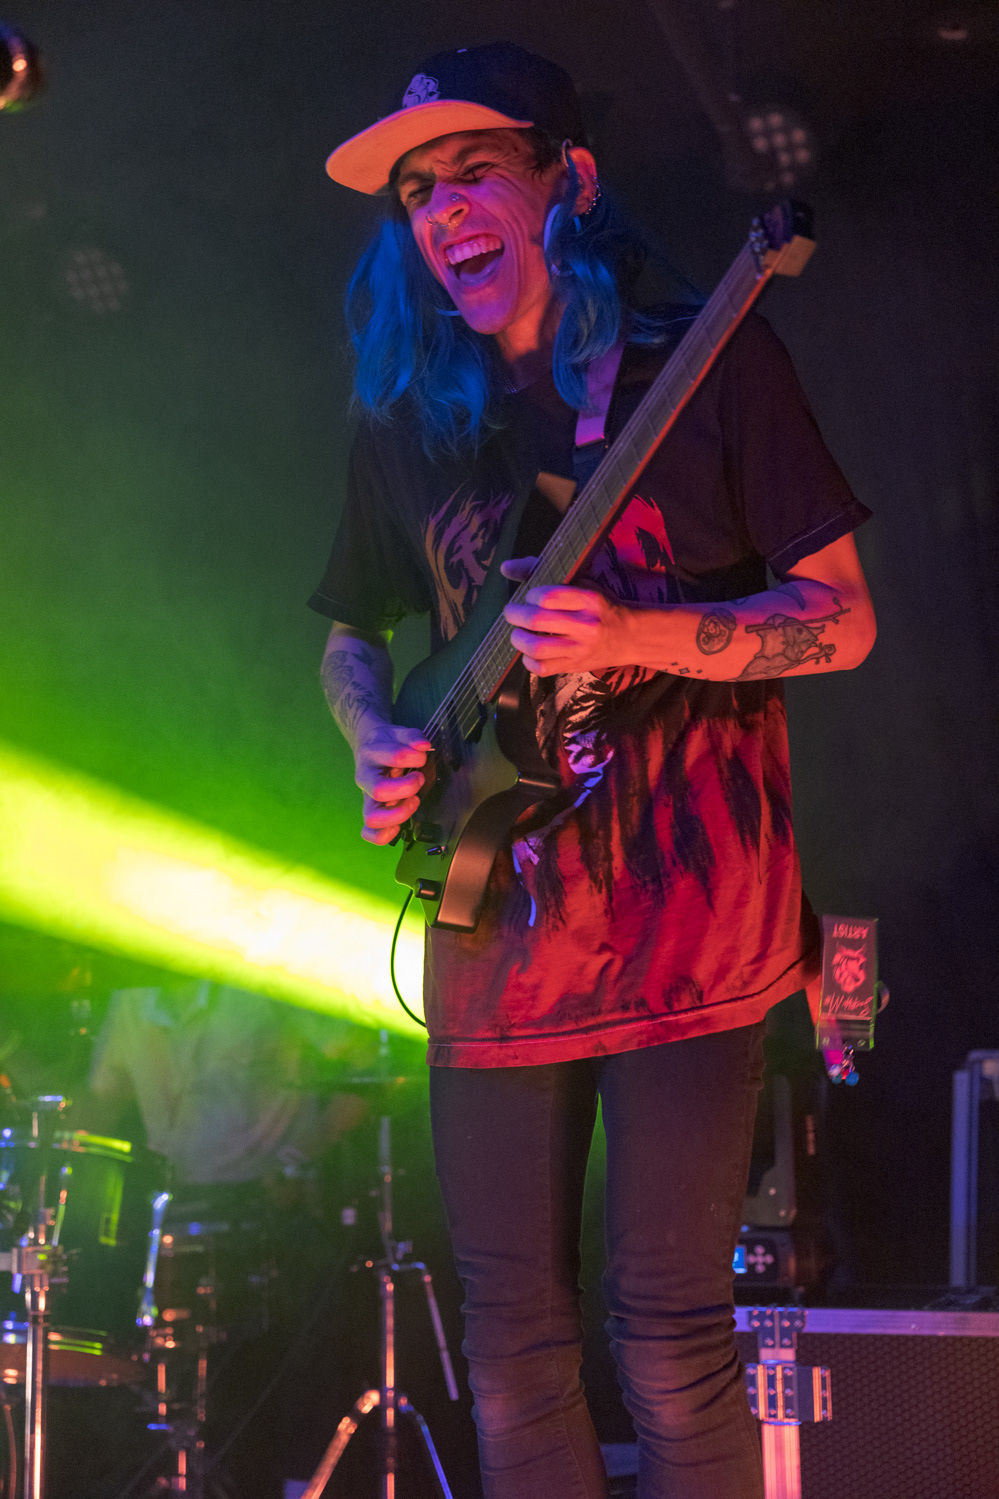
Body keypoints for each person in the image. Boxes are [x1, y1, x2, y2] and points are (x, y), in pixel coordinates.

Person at [310, 42, 876, 1499]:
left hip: (696, 919)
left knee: (672, 1339)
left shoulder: (709, 366)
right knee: (506, 1349)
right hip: (499, 927)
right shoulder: (412, 419)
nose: (441, 214)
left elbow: (843, 615)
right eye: (417, 195)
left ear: (570, 182)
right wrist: (373, 736)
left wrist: (646, 630)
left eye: (473, 173)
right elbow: (351, 635)